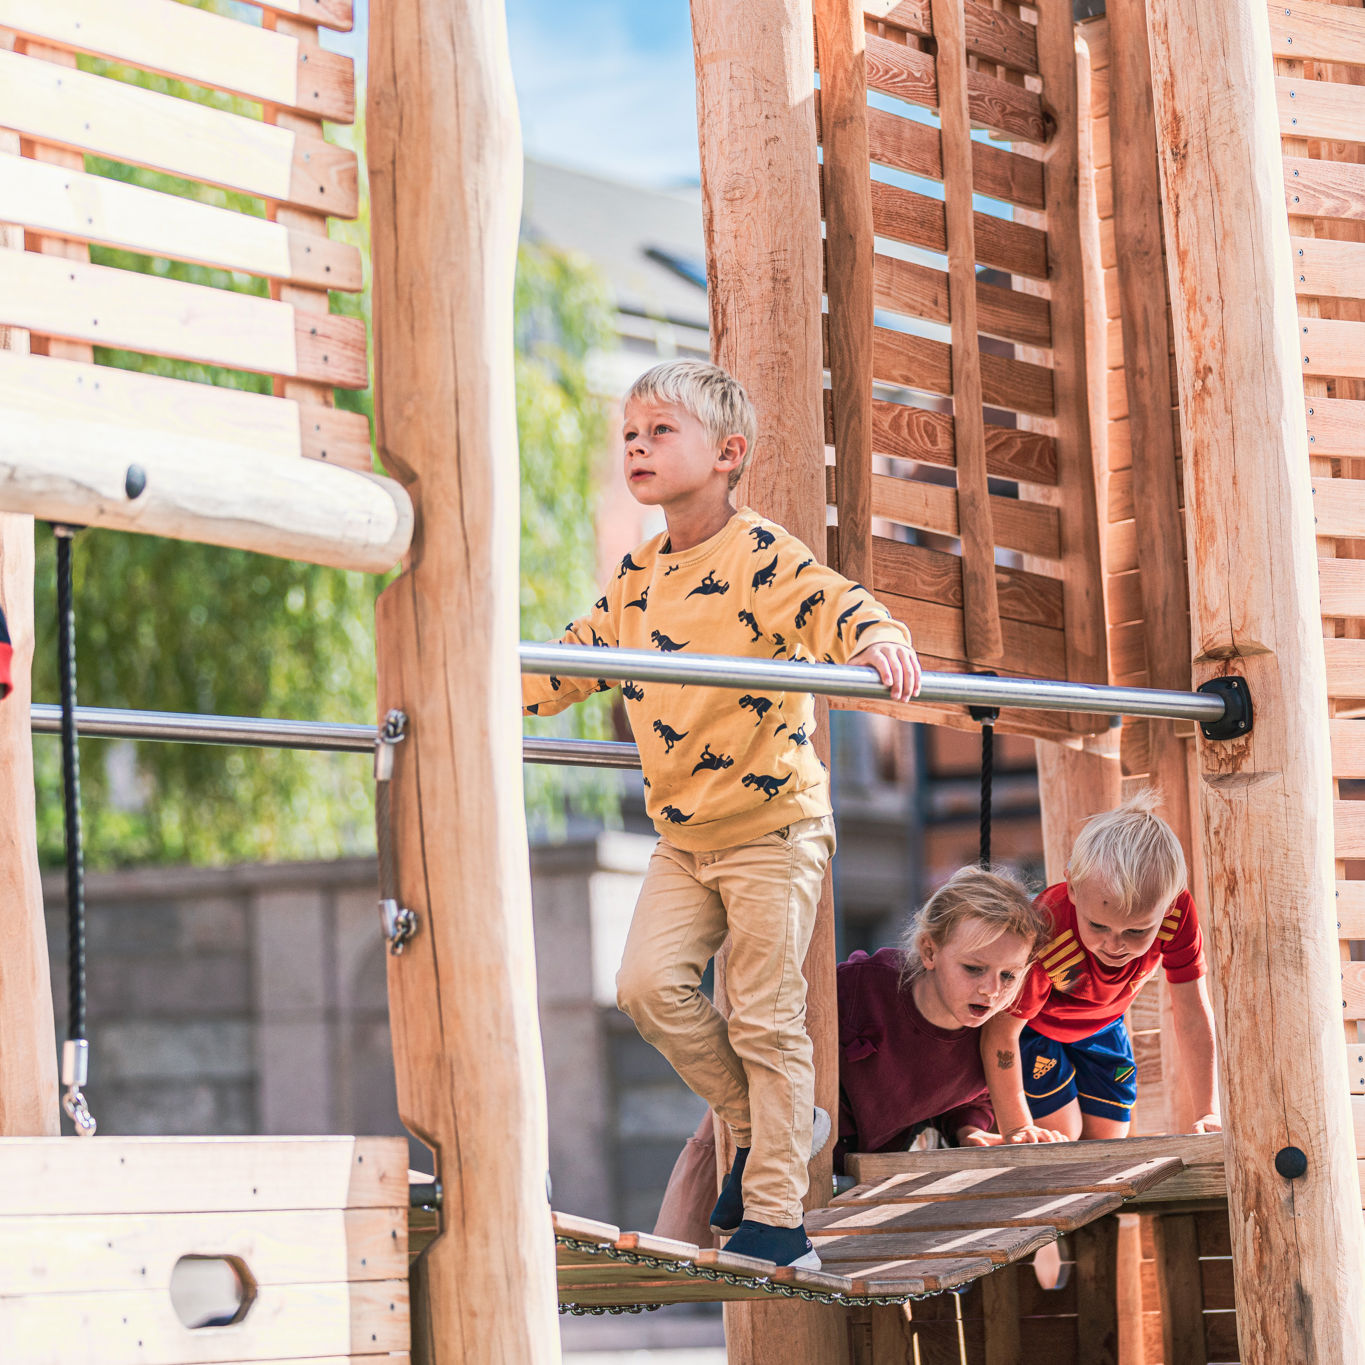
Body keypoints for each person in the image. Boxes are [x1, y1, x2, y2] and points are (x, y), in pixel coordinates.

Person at [523, 359, 921, 1269]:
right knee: (645, 986)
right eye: (629, 432)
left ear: (726, 453)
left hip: (772, 828)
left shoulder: (759, 554)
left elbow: (834, 603)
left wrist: (879, 638)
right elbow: (567, 659)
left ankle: (777, 1216)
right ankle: (760, 1122)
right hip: (685, 836)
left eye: (661, 431)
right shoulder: (635, 579)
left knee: (765, 1017)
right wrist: (482, 679)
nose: (636, 445)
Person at [654, 866, 1058, 1248]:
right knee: (711, 1257)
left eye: (1009, 975)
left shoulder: (993, 1037)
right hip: (774, 1144)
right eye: (974, 969)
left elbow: (970, 1096)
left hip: (854, 1181)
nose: (992, 990)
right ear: (929, 951)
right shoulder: (861, 988)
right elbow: (771, 1038)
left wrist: (970, 1131)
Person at [980, 790, 1222, 1143]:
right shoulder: (1047, 928)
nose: (1114, 945)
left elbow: (1192, 1014)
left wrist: (1207, 1112)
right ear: (1074, 889)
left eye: (1137, 931)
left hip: (1104, 1023)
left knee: (1110, 1138)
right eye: (1097, 926)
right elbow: (1002, 1031)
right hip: (1037, 1029)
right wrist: (1018, 1128)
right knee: (1061, 1134)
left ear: (1168, 906)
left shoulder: (1178, 915)